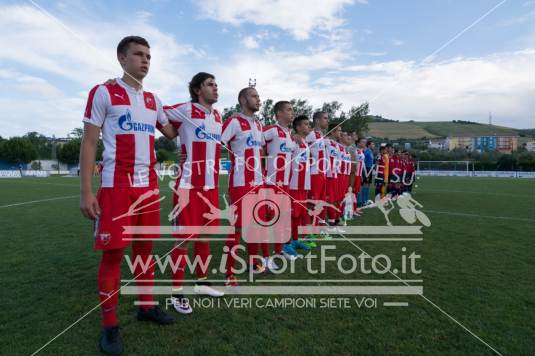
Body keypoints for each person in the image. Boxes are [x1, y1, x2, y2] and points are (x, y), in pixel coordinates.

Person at [79, 36, 176, 355]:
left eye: (149, 55)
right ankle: (109, 327)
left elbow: (172, 130)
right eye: (138, 54)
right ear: (121, 59)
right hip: (116, 186)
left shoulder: (153, 99)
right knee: (113, 255)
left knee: (145, 251)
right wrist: (87, 191)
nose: (145, 60)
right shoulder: (104, 91)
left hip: (148, 187)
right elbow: (90, 143)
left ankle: (145, 307)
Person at [163, 72, 225, 316]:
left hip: (210, 189)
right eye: (210, 84)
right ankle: (176, 293)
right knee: (183, 241)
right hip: (188, 188)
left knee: (204, 238)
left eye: (216, 84)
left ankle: (202, 283)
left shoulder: (218, 115)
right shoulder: (187, 110)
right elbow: (157, 111)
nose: (216, 88)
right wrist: (172, 135)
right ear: (198, 89)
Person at [221, 87, 265, 289]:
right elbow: (216, 143)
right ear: (243, 99)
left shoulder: (259, 124)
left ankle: (253, 262)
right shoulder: (233, 122)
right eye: (255, 96)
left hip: (258, 182)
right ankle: (229, 272)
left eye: (258, 96)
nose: (259, 99)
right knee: (237, 228)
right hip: (240, 183)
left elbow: (262, 151)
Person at [262, 101, 297, 263]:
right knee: (267, 220)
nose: (292, 113)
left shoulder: (289, 134)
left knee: (282, 218)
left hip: (285, 185)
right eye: (289, 110)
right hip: (271, 183)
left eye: (292, 110)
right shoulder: (271, 130)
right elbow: (256, 146)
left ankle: (278, 250)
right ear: (279, 113)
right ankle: (265, 256)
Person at [288, 115, 313, 251]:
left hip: (304, 184)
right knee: (292, 214)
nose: (308, 126)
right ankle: (288, 243)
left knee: (299, 214)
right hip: (294, 184)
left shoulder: (304, 142)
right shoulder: (293, 139)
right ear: (297, 127)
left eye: (308, 124)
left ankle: (296, 240)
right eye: (305, 124)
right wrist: (292, 135)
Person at [305, 111, 330, 238]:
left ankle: (318, 228)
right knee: (312, 203)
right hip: (314, 174)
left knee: (321, 202)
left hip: (322, 174)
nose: (327, 121)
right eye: (325, 118)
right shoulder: (310, 134)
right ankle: (308, 231)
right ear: (317, 121)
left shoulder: (321, 135)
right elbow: (301, 144)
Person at [324, 123, 342, 226]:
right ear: (333, 131)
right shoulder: (326, 142)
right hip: (327, 176)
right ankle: (329, 222)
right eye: (339, 131)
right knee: (328, 200)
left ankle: (332, 221)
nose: (340, 133)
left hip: (335, 176)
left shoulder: (336, 145)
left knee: (334, 199)